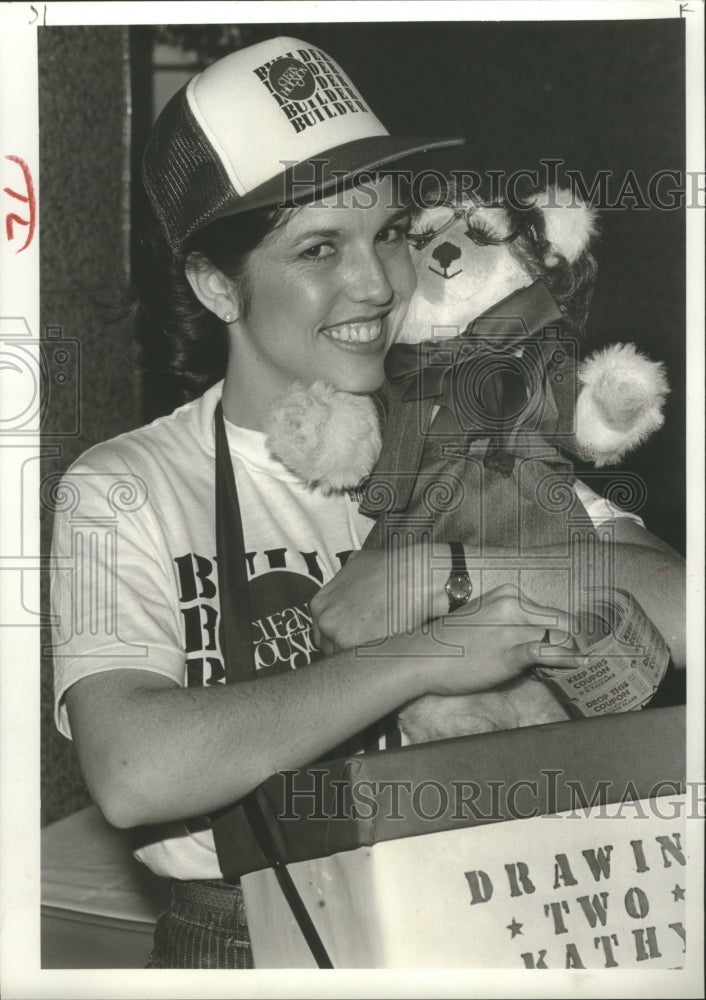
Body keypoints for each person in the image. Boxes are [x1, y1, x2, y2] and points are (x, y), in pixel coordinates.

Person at [50, 36, 685, 969]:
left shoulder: (467, 435)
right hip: (249, 942)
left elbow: (683, 609)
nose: (379, 284)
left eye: (389, 231)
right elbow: (137, 770)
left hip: (485, 912)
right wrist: (420, 654)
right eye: (320, 248)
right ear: (215, 283)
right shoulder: (122, 489)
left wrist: (443, 570)